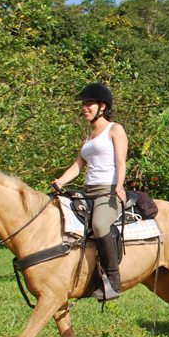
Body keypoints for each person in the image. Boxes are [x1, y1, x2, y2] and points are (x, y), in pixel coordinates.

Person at [53, 83, 128, 300]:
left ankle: (113, 279)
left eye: (89, 104)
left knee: (99, 224)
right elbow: (78, 166)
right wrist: (60, 181)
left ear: (102, 106)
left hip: (108, 191)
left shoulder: (115, 129)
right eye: (83, 104)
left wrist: (119, 186)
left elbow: (121, 162)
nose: (84, 108)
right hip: (87, 191)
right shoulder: (88, 137)